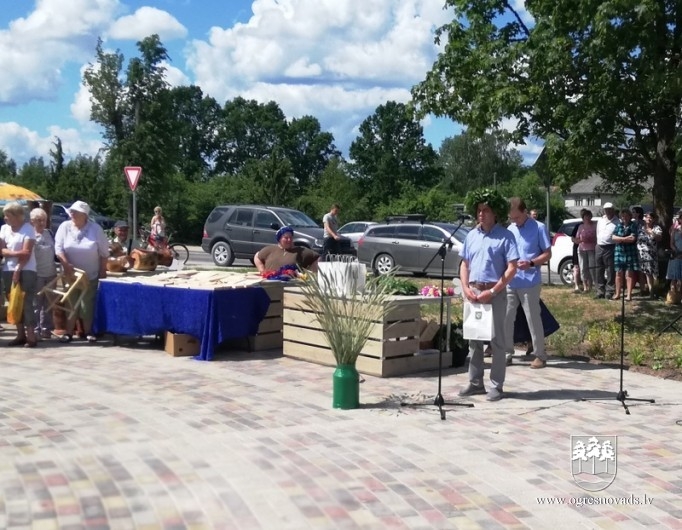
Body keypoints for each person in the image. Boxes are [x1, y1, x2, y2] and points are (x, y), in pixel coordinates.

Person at [459, 189, 518, 402]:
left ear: (495, 214)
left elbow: (512, 268)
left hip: (495, 293)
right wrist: (465, 288)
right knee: (474, 341)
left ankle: (496, 385)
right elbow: (465, 264)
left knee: (497, 341)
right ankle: (475, 383)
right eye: (479, 210)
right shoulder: (471, 235)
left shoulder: (506, 236)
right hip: (473, 292)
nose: (481, 214)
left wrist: (492, 291)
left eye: (486, 210)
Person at [504, 198, 552, 369]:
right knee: (507, 318)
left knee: (533, 318)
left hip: (530, 282)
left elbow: (547, 254)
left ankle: (540, 355)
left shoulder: (539, 227)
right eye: (512, 218)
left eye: (517, 217)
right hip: (511, 280)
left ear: (525, 212)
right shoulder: (510, 229)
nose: (515, 221)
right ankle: (507, 353)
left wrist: (531, 263)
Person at [54, 201, 109, 343]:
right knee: (71, 303)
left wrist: (103, 271)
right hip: (70, 273)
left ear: (84, 215)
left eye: (75, 212)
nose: (72, 214)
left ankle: (88, 332)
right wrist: (65, 263)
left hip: (90, 274)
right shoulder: (64, 227)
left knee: (87, 304)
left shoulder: (95, 229)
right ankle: (68, 332)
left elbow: (104, 252)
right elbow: (58, 248)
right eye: (71, 211)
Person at [0, 202, 38, 347]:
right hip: (7, 269)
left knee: (27, 302)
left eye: (8, 216)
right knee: (14, 301)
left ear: (17, 216)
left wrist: (18, 268)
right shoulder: (4, 229)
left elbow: (27, 253)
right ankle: (20, 334)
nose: (5, 218)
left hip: (27, 269)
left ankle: (31, 336)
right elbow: (2, 251)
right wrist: (16, 253)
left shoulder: (28, 229)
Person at [30, 207, 57, 339]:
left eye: (44, 220)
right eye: (38, 220)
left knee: (49, 304)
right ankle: (35, 330)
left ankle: (46, 329)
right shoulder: (31, 235)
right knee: (36, 304)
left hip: (51, 273)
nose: (42, 223)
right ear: (32, 221)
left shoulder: (49, 233)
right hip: (37, 274)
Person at [254, 226, 320, 273]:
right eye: (286, 238)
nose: (289, 240)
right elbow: (257, 256)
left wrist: (312, 272)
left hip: (291, 284)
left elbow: (318, 258)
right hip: (270, 283)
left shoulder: (301, 251)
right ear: (279, 239)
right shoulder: (270, 249)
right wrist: (261, 270)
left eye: (291, 237)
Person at [612, 209, 639, 301]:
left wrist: (620, 239)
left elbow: (632, 239)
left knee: (629, 274)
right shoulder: (618, 225)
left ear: (630, 216)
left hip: (630, 252)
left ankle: (629, 295)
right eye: (623, 216)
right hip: (619, 252)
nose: (624, 218)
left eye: (626, 216)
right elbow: (613, 237)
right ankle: (618, 293)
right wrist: (624, 238)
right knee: (618, 273)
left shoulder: (633, 225)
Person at [595, 202, 619, 299]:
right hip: (599, 246)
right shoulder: (600, 220)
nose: (608, 211)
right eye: (606, 209)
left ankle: (609, 290)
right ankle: (600, 290)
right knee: (598, 269)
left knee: (610, 270)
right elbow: (597, 232)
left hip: (610, 247)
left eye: (609, 209)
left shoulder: (617, 221)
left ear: (613, 210)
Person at [637, 211, 663, 299]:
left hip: (651, 254)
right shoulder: (640, 227)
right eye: (647, 217)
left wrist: (651, 232)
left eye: (651, 217)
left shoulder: (656, 228)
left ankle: (652, 292)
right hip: (641, 253)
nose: (649, 219)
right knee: (642, 273)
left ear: (654, 219)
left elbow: (659, 238)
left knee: (651, 274)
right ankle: (643, 290)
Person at [574, 209, 597, 293]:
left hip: (592, 249)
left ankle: (591, 286)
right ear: (583, 218)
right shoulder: (580, 227)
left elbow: (598, 237)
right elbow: (577, 239)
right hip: (582, 249)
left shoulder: (595, 225)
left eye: (589, 216)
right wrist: (579, 240)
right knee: (583, 268)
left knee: (592, 268)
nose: (587, 217)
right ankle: (585, 287)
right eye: (585, 216)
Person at [666, 211, 682, 298]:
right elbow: (671, 243)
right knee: (674, 277)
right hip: (676, 255)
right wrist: (676, 251)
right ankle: (673, 296)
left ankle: (680, 296)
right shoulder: (675, 230)